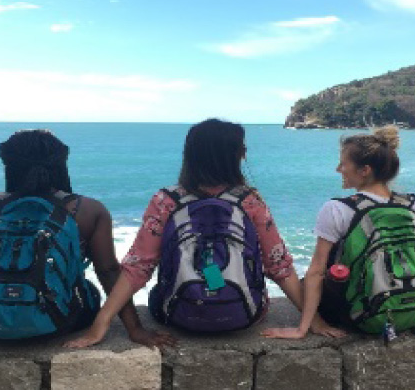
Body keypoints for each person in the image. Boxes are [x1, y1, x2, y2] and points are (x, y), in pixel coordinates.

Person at [0, 130, 173, 372]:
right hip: (61, 323)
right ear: (60, 165)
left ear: (9, 167)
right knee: (86, 287)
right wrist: (135, 330)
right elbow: (109, 271)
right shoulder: (88, 211)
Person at [65, 118, 339, 348]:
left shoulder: (166, 201)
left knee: (155, 292)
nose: (245, 152)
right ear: (232, 156)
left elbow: (138, 267)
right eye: (241, 148)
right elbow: (278, 265)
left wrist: (100, 324)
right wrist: (312, 320)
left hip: (175, 316)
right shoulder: (249, 200)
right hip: (245, 315)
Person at [263, 126, 415, 341]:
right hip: (414, 311)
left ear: (364, 170)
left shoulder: (337, 209)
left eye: (343, 164)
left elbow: (316, 272)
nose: (338, 169)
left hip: (362, 318)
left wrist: (304, 328)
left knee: (310, 279)